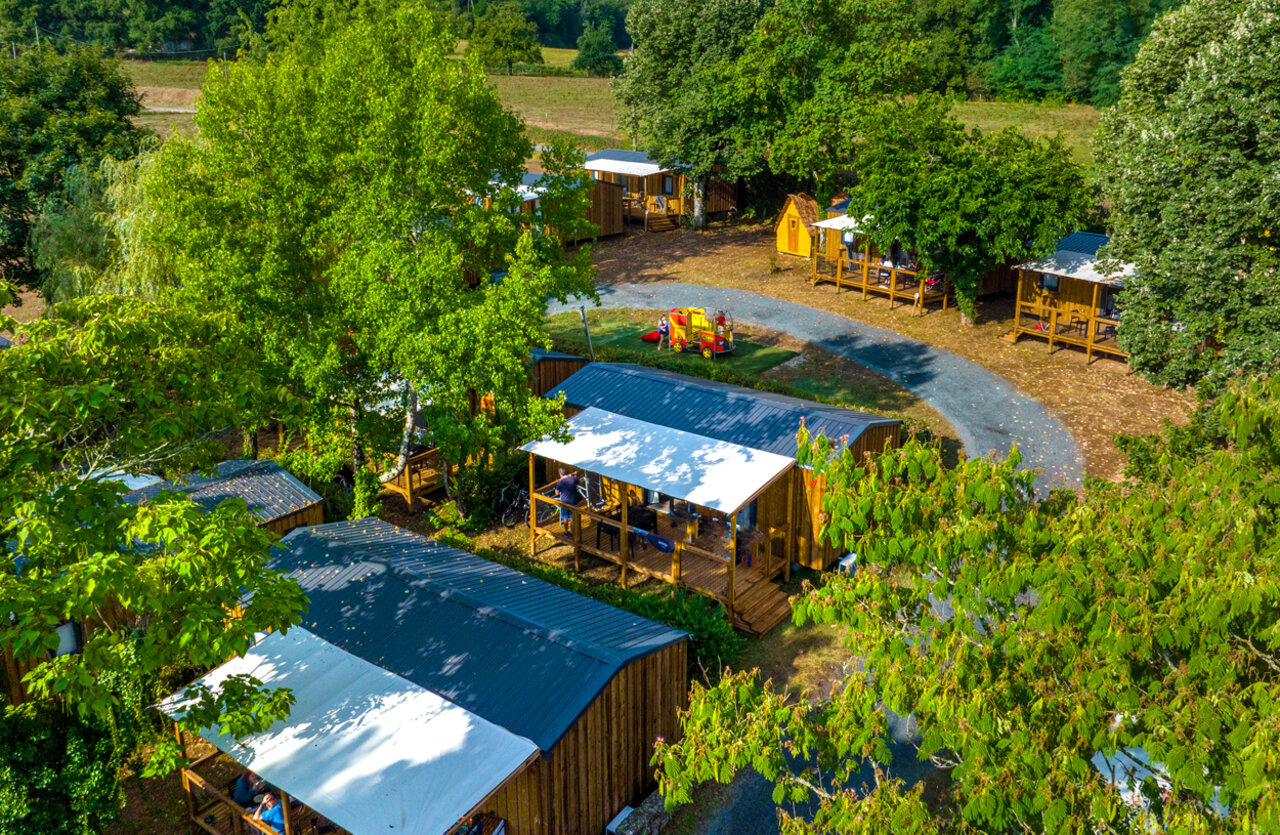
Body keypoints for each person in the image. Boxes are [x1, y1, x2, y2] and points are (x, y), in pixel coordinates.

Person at [555, 467, 579, 532]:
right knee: (572, 518)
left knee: (565, 518)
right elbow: (578, 481)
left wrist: (557, 484)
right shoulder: (573, 479)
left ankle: (566, 531)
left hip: (564, 502)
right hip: (573, 501)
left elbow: (556, 493)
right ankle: (572, 532)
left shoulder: (559, 483)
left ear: (560, 474)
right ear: (566, 472)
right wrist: (570, 476)